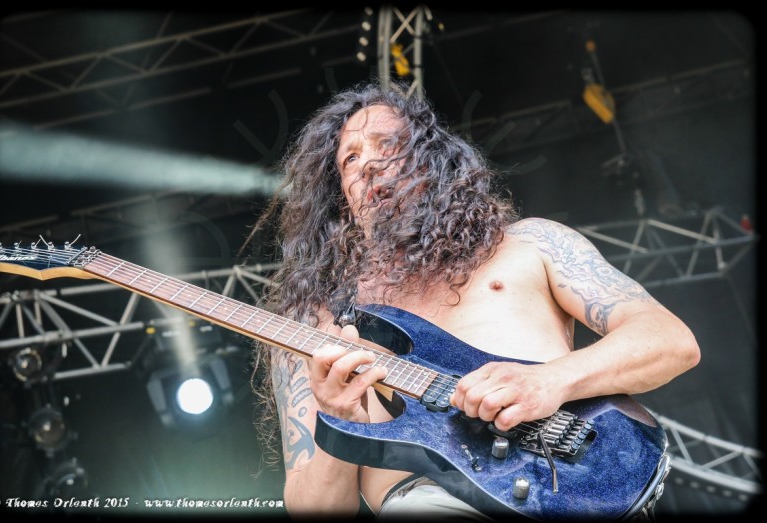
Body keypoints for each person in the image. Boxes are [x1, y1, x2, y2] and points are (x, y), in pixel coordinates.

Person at [245, 81, 700, 520]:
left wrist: (550, 381)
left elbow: (670, 341)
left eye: (388, 145)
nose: (368, 165)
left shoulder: (530, 244)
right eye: (350, 159)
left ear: (431, 162)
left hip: (572, 486)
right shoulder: (315, 323)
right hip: (426, 500)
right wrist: (336, 418)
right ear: (344, 200)